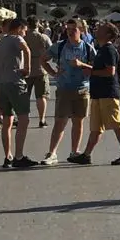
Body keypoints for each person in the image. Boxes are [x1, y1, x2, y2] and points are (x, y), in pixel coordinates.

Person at [71, 22, 120, 166]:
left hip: (108, 93)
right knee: (96, 128)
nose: (97, 31)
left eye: (101, 30)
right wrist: (84, 66)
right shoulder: (102, 49)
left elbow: (110, 71)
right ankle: (86, 155)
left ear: (108, 35)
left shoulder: (109, 50)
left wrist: (89, 70)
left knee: (116, 124)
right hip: (98, 93)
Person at [43, 19, 94, 165]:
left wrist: (81, 64)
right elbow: (43, 59)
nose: (70, 32)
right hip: (64, 88)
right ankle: (52, 153)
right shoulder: (59, 47)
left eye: (74, 29)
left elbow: (94, 68)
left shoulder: (89, 48)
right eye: (68, 29)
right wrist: (53, 73)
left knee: (78, 121)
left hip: (82, 89)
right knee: (60, 122)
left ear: (81, 30)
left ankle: (74, 151)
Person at [0, 18, 36, 168]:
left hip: (2, 84)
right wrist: (27, 69)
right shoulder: (17, 38)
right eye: (24, 30)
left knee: (7, 121)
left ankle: (7, 156)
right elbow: (27, 49)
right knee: (23, 119)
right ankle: (19, 156)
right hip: (17, 83)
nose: (25, 32)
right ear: (19, 28)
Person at [23, 18, 54, 129]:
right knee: (41, 96)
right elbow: (52, 51)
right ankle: (42, 119)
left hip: (26, 69)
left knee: (24, 96)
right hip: (41, 69)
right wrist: (45, 58)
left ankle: (24, 118)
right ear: (37, 24)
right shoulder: (43, 37)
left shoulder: (23, 37)